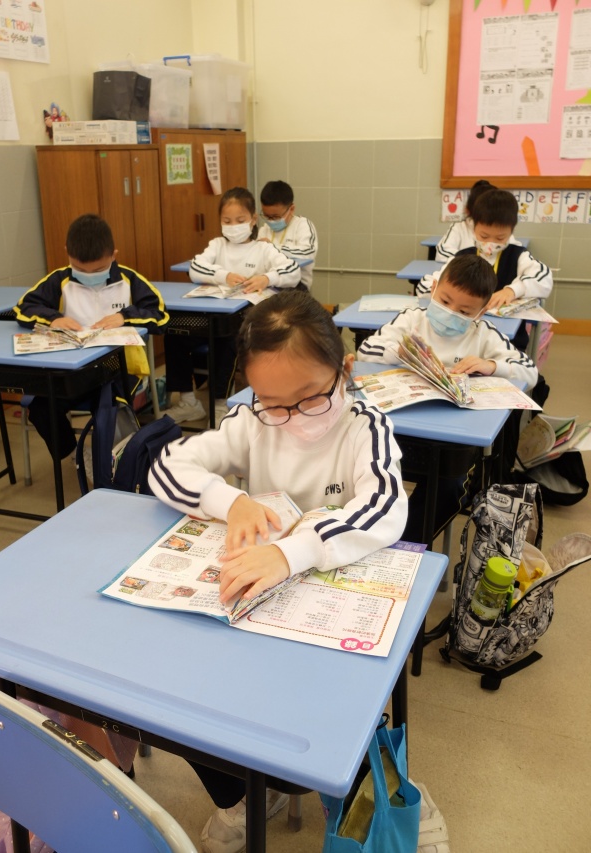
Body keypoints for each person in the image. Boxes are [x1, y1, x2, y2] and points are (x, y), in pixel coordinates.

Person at [149, 290, 407, 853]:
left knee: (343, 713)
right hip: (257, 606)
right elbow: (168, 467)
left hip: (331, 602)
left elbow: (387, 506)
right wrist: (231, 501)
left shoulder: (364, 426)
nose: (292, 419)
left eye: (310, 397)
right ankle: (245, 792)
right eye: (272, 402)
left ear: (344, 370)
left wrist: (293, 552)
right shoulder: (252, 420)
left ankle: (362, 797)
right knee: (182, 690)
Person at [358, 254, 538, 544]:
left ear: (481, 312)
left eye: (465, 311)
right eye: (444, 301)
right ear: (433, 289)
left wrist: (491, 365)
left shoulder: (484, 334)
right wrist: (400, 352)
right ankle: (367, 533)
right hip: (400, 426)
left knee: (451, 485)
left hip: (453, 437)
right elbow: (367, 350)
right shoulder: (412, 319)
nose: (451, 313)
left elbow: (530, 372)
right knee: (364, 464)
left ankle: (403, 545)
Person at [14, 213, 168, 460]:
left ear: (113, 255)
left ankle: (110, 463)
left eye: (97, 269)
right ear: (68, 254)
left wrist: (124, 316)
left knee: (109, 407)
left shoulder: (129, 280)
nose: (88, 274)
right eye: (79, 269)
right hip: (72, 371)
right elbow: (24, 307)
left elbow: (159, 315)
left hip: (120, 370)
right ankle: (76, 457)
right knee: (42, 406)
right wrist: (53, 318)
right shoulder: (59, 280)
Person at [162, 186, 301, 425]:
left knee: (228, 340)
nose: (233, 226)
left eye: (240, 220)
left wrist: (266, 278)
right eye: (227, 221)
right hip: (210, 317)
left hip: (242, 322)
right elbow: (196, 268)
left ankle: (220, 402)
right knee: (175, 334)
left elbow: (293, 271)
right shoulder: (217, 245)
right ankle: (188, 402)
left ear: (253, 219)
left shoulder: (263, 248)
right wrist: (223, 276)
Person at [419, 189, 553, 351]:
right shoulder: (463, 257)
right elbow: (427, 285)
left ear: (511, 231)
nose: (491, 243)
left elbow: (543, 278)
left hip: (505, 340)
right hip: (463, 336)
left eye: (500, 238)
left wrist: (512, 290)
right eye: (484, 236)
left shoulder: (518, 256)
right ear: (474, 227)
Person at [257, 179, 318, 290]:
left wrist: (272, 247)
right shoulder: (264, 229)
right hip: (269, 283)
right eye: (266, 216)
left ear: (291, 209)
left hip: (297, 285)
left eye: (276, 216)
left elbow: (308, 253)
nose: (270, 220)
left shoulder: (302, 225)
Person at [434, 179, 497, 263]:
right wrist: (473, 261)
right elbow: (442, 253)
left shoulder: (502, 231)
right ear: (469, 209)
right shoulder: (459, 228)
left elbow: (513, 256)